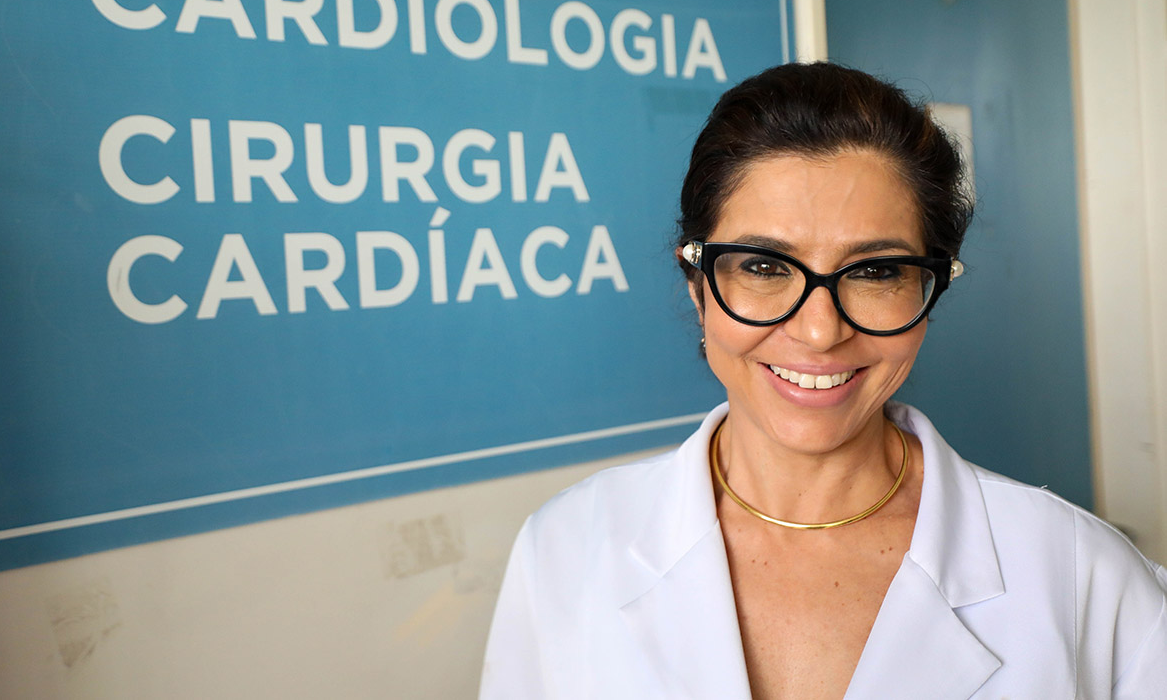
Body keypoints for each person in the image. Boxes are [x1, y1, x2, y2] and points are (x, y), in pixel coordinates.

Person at [478, 62, 1167, 699]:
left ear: (930, 290)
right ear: (696, 284)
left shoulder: (1084, 579)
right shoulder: (565, 547)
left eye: (875, 271)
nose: (818, 331)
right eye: (763, 266)